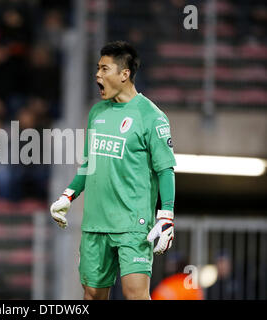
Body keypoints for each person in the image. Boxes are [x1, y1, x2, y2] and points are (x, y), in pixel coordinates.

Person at [50, 41, 176, 300]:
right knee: (92, 294)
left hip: (132, 224)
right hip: (95, 223)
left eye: (104, 69)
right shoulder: (97, 112)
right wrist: (67, 196)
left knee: (135, 295)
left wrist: (166, 216)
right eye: (97, 68)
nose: (98, 75)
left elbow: (166, 169)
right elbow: (88, 164)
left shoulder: (151, 116)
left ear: (124, 74)